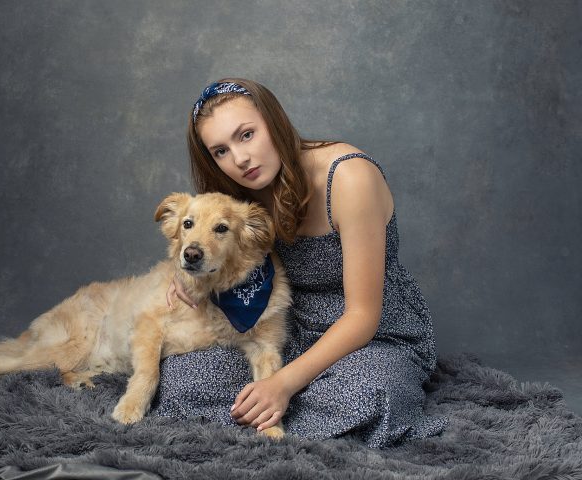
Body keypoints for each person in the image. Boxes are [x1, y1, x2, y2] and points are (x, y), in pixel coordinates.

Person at [149, 78, 447, 447]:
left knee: (373, 391)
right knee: (183, 381)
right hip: (286, 329)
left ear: (274, 121)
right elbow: (218, 248)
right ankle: (277, 411)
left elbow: (363, 317)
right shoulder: (244, 191)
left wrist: (283, 383)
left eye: (246, 135)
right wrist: (188, 274)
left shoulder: (350, 177)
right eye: (220, 151)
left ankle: (277, 408)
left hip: (371, 336)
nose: (239, 159)